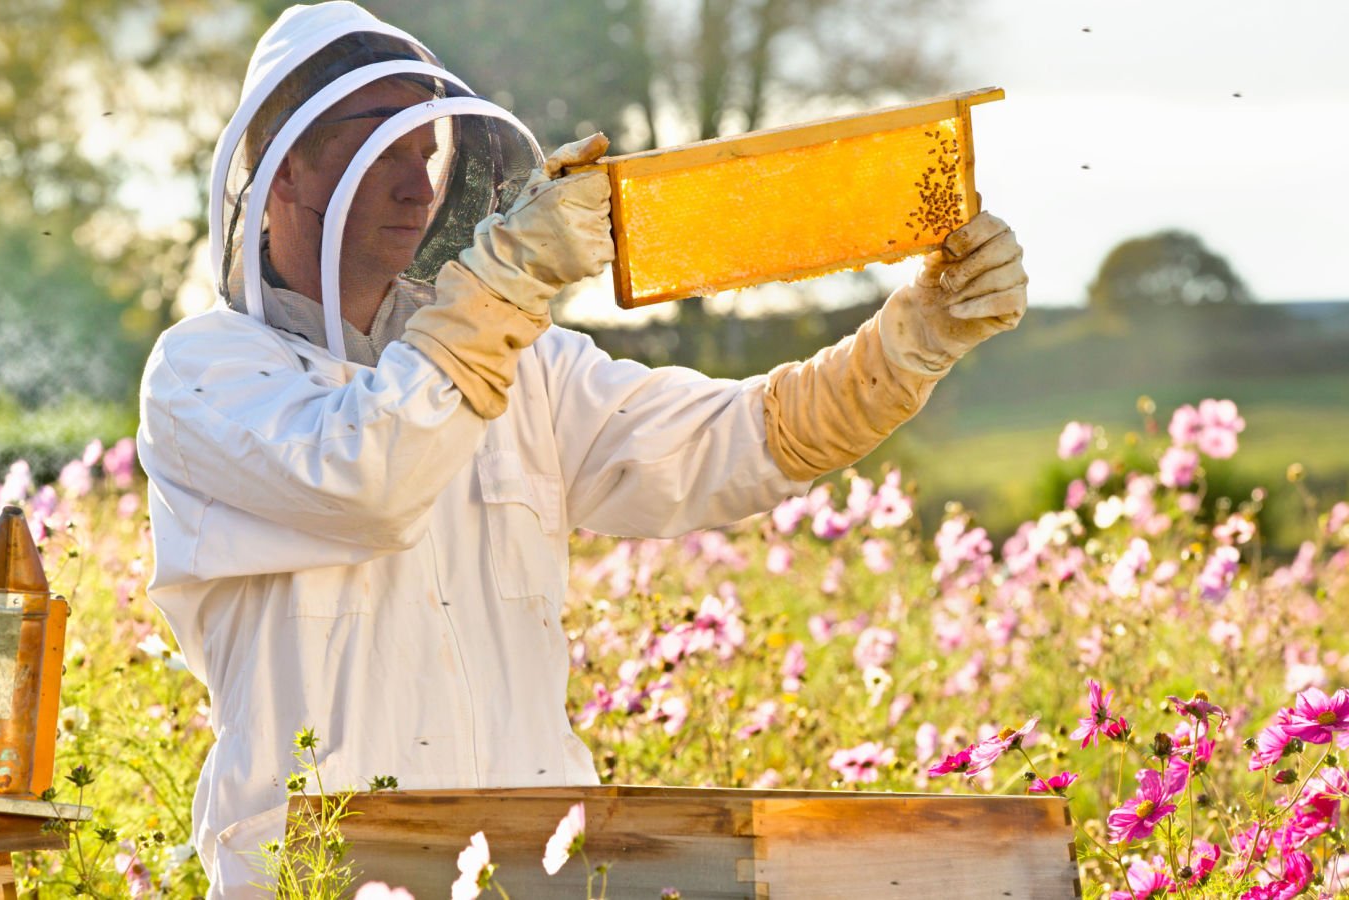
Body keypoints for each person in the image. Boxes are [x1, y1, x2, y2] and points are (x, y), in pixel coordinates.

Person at [137, 2, 1028, 894]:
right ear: (287, 170)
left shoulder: (527, 363)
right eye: (381, 150)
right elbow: (370, 475)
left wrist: (910, 342)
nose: (419, 187)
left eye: (427, 152)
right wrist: (507, 285)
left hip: (534, 870)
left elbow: (732, 442)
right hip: (316, 877)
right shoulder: (205, 375)